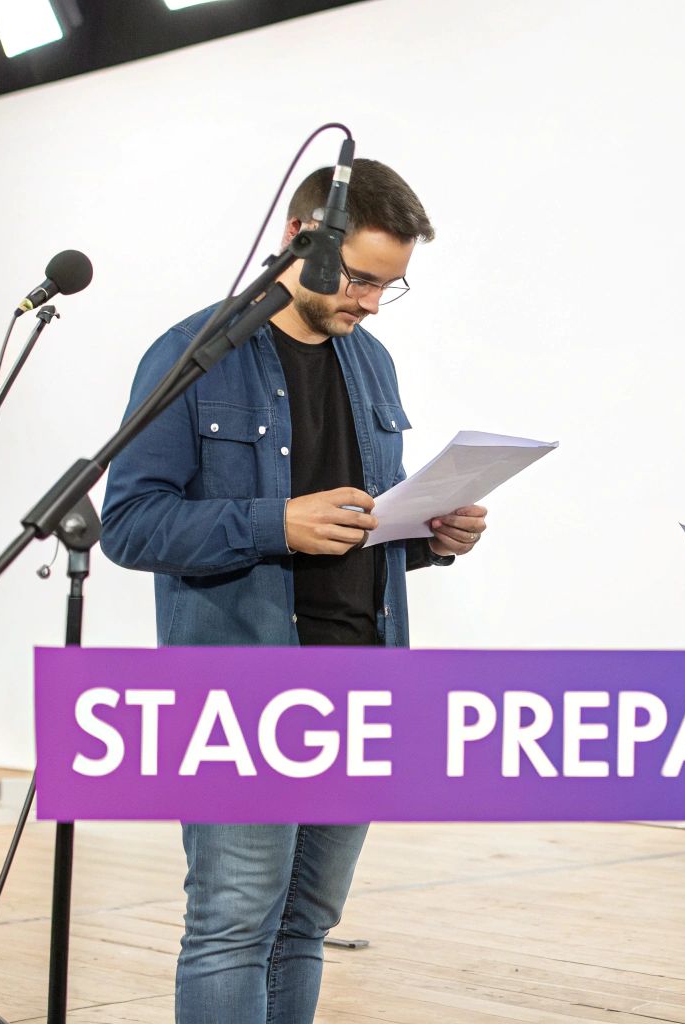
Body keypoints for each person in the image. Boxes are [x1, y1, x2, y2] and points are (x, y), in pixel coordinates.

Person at [100, 159, 489, 1024]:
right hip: (241, 693)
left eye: (392, 286)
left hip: (362, 687)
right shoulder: (193, 355)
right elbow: (129, 525)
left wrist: (431, 537)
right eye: (359, 279)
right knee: (233, 925)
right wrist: (275, 523)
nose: (372, 304)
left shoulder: (372, 365)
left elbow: (354, 527)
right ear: (299, 240)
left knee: (307, 922)